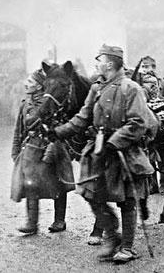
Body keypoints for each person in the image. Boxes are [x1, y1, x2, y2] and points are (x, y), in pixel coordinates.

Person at [52, 44, 156, 263]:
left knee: (127, 201)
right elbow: (82, 117)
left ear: (109, 63)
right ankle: (112, 236)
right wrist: (58, 132)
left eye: (98, 60)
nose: (96, 64)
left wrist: (115, 141)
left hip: (124, 152)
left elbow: (139, 122)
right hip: (100, 151)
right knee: (91, 194)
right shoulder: (96, 88)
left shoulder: (131, 88)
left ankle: (126, 247)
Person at [10, 67, 73, 235]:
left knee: (58, 182)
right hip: (31, 148)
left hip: (50, 146)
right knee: (30, 184)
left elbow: (61, 124)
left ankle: (59, 220)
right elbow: (19, 129)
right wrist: (16, 150)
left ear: (39, 86)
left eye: (30, 82)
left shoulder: (52, 102)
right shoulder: (25, 103)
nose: (26, 84)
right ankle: (32, 223)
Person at [135, 55, 164, 223]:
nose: (148, 69)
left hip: (161, 122)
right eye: (145, 66)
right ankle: (142, 200)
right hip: (142, 122)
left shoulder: (163, 82)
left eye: (151, 66)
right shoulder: (136, 84)